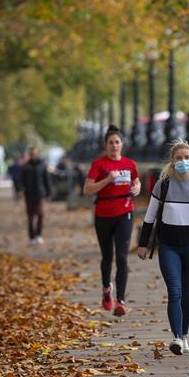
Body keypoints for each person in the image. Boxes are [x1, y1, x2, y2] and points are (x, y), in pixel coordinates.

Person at [136, 141, 189, 355]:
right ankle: (177, 337)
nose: (183, 161)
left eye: (187, 157)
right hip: (168, 247)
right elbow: (149, 217)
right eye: (178, 158)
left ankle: (184, 335)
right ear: (172, 162)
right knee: (175, 291)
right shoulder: (162, 185)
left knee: (187, 295)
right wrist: (143, 244)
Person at [84, 126, 141, 316]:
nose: (114, 146)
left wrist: (137, 187)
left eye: (117, 142)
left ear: (122, 144)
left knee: (122, 257)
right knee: (107, 257)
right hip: (103, 215)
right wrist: (107, 180)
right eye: (111, 143)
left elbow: (136, 181)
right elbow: (87, 190)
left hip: (125, 212)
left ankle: (121, 301)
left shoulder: (129, 164)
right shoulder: (99, 164)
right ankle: (106, 289)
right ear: (106, 145)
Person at [19, 147, 52, 244]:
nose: (33, 155)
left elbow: (47, 180)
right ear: (29, 155)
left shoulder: (42, 165)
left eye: (35, 153)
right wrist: (20, 190)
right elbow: (20, 180)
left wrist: (49, 193)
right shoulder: (25, 167)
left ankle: (39, 235)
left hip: (40, 194)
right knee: (30, 217)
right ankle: (32, 236)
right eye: (31, 154)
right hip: (29, 194)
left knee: (40, 214)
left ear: (37, 154)